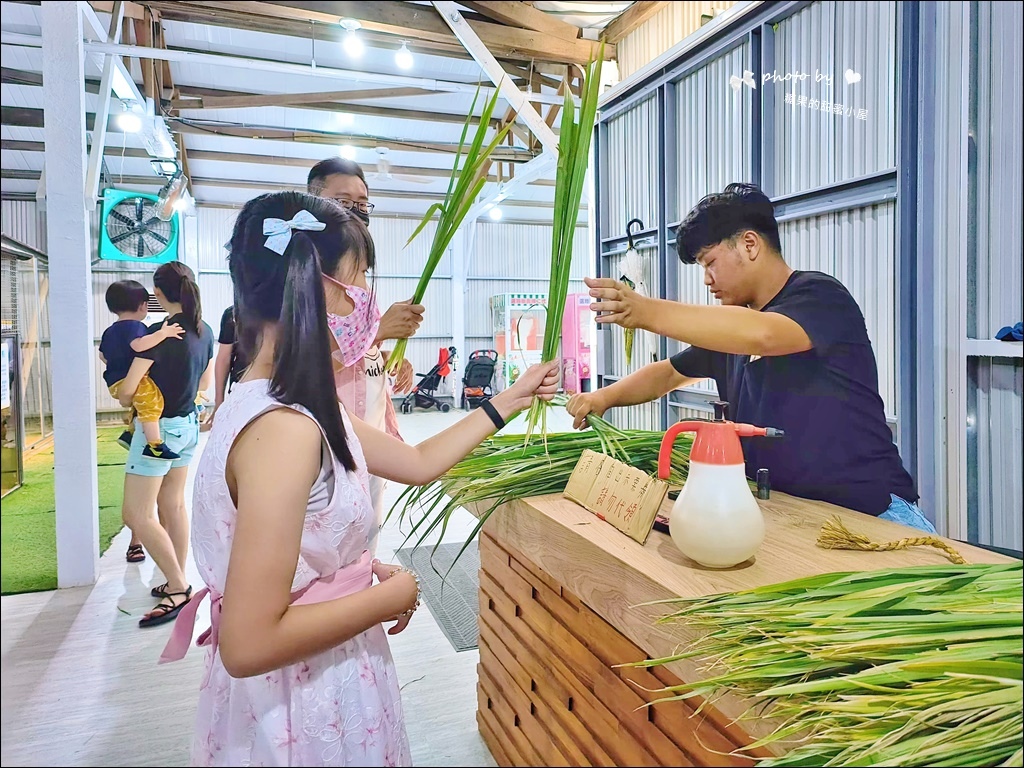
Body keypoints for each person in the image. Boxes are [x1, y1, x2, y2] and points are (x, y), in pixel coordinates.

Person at [159, 191, 558, 766]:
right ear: (317, 287)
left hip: (323, 679)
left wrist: (510, 400)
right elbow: (249, 643)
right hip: (302, 704)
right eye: (360, 280)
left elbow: (416, 462)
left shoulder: (284, 403)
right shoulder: (284, 430)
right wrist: (391, 595)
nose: (368, 303)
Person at [570, 183, 931, 533]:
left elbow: (765, 334)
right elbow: (666, 375)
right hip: (797, 518)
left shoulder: (819, 296)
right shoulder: (730, 333)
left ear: (749, 244)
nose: (707, 280)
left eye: (710, 262)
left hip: (873, 515)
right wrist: (603, 398)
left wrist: (645, 312)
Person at [307, 158, 422, 553]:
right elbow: (301, 361)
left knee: (365, 539)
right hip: (325, 437)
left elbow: (354, 346)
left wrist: (385, 353)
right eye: (343, 200)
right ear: (313, 199)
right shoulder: (301, 273)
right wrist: (379, 329)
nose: (356, 208)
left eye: (362, 201)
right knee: (329, 546)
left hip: (367, 434)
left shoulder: (358, 275)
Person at [116, 261, 214, 626]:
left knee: (136, 514)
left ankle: (178, 585)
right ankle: (177, 577)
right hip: (188, 425)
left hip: (158, 430)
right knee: (172, 504)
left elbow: (127, 393)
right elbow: (204, 385)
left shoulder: (160, 333)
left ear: (157, 295)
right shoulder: (204, 331)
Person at [99, 280, 187, 460]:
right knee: (152, 403)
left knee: (140, 405)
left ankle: (130, 434)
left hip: (113, 380)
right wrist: (163, 333)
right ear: (143, 306)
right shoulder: (136, 327)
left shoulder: (110, 330)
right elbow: (139, 346)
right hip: (129, 379)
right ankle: (155, 445)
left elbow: (102, 356)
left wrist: (116, 363)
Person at [208, 305, 249, 429]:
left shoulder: (292, 309)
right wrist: (219, 402)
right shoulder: (233, 313)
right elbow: (224, 359)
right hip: (241, 390)